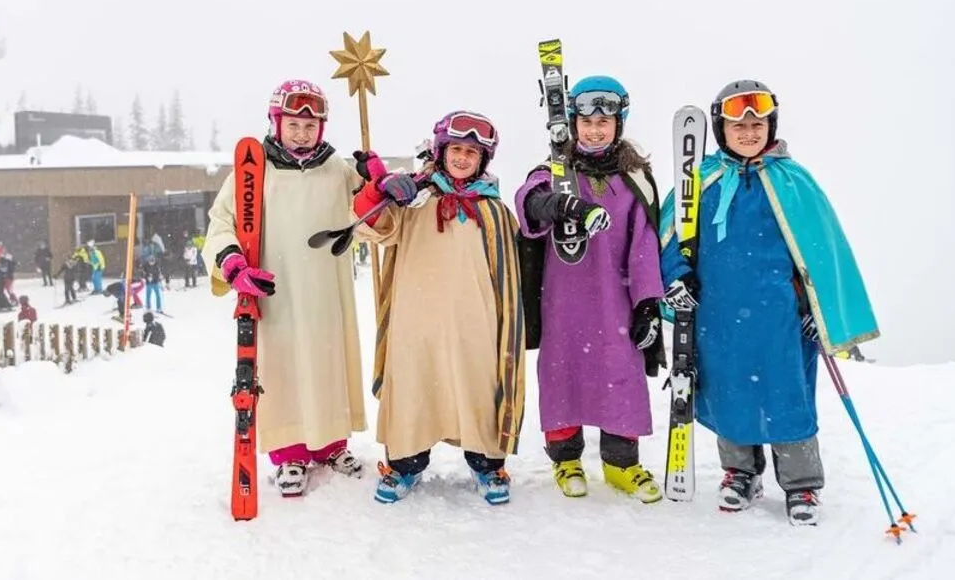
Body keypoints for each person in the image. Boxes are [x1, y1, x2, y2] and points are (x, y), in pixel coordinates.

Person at [658, 80, 880, 526]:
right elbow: (671, 240)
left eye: (757, 125)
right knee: (727, 394)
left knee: (786, 397)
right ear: (721, 130)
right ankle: (740, 473)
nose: (747, 133)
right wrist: (676, 279)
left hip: (780, 317)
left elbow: (821, 250)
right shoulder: (701, 181)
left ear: (770, 126)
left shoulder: (792, 180)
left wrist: (821, 310)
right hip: (717, 316)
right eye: (737, 127)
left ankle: (801, 485)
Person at [203, 79, 367, 498]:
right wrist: (232, 262)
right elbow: (222, 223)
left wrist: (376, 187)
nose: (301, 133)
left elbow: (369, 221)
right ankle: (288, 453)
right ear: (277, 122)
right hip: (276, 290)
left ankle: (332, 443)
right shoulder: (254, 169)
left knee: (327, 362)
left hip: (327, 290)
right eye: (293, 124)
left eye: (310, 127)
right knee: (283, 369)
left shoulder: (337, 169)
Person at [353, 110, 525, 506]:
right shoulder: (413, 200)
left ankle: (487, 463)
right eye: (456, 149)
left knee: (479, 387)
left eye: (472, 152)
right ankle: (404, 464)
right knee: (413, 387)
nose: (463, 158)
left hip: (474, 323)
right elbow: (367, 225)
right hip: (416, 321)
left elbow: (510, 270)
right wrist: (379, 188)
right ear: (441, 151)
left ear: (483, 159)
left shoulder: (495, 210)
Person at [515, 75, 666, 503]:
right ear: (573, 123)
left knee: (620, 375)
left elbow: (643, 245)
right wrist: (555, 203)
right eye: (586, 121)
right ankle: (566, 459)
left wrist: (647, 304)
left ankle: (621, 464)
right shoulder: (555, 172)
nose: (595, 129)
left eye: (605, 121)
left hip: (615, 302)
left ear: (619, 123)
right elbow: (528, 201)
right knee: (563, 373)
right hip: (563, 300)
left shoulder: (634, 179)